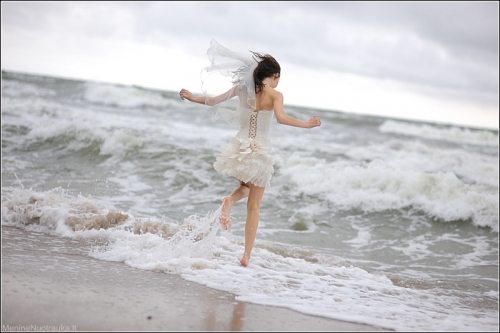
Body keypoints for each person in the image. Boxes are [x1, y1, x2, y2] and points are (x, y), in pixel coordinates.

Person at [180, 40, 321, 266]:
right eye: (278, 78)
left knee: (245, 187)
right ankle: (246, 255)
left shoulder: (242, 89)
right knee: (254, 206)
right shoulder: (275, 95)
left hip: (240, 149)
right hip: (261, 151)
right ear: (274, 75)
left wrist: (191, 96)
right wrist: (308, 124)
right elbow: (282, 119)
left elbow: (213, 101)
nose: (278, 82)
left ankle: (229, 200)